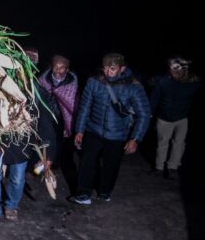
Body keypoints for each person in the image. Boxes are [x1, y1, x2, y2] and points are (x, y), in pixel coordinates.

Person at [72, 53, 150, 204]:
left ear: (122, 68)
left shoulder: (133, 87)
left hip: (118, 134)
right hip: (93, 129)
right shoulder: (94, 82)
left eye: (112, 68)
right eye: (105, 68)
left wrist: (135, 139)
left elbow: (144, 114)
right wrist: (80, 130)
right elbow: (84, 107)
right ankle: (83, 194)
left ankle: (104, 191)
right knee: (87, 161)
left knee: (111, 165)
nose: (108, 72)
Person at [0, 86, 58, 226]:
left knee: (17, 179)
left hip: (20, 143)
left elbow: (44, 121)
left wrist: (48, 154)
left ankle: (11, 205)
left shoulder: (33, 89)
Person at [149, 56, 201, 178]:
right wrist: (149, 113)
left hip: (182, 118)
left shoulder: (193, 83)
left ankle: (173, 168)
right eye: (171, 69)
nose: (173, 72)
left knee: (179, 144)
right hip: (164, 118)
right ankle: (159, 168)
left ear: (184, 69)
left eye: (176, 70)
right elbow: (154, 98)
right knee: (162, 143)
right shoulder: (163, 81)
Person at [38, 55, 78, 174]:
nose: (58, 70)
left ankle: (55, 164)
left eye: (62, 67)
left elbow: (72, 104)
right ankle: (41, 168)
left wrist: (68, 124)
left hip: (62, 117)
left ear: (67, 69)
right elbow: (39, 97)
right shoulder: (43, 79)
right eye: (56, 66)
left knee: (59, 141)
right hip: (46, 115)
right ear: (52, 67)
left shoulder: (72, 82)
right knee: (46, 141)